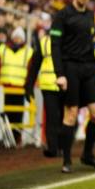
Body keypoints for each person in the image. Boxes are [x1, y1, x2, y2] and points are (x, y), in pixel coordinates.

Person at [50, 0, 95, 173]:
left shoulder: (91, 15)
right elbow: (55, 46)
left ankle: (87, 154)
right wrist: (60, 73)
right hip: (70, 68)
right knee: (71, 114)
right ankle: (66, 160)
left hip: (89, 68)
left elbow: (89, 45)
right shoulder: (62, 15)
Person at [25, 28, 64, 157]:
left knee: (63, 117)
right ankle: (54, 148)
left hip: (63, 86)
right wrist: (29, 85)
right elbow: (35, 65)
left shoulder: (68, 41)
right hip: (49, 86)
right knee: (53, 118)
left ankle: (61, 146)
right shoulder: (44, 42)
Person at [0, 27, 33, 144]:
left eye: (20, 37)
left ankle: (16, 138)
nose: (17, 39)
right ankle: (5, 138)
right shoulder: (2, 49)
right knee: (5, 115)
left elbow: (31, 69)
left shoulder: (28, 52)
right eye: (16, 37)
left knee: (18, 115)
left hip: (20, 89)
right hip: (4, 88)